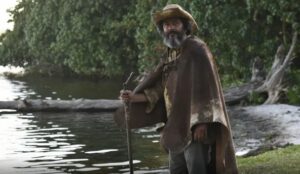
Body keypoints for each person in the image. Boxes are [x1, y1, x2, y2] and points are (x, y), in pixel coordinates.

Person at [116, 4, 238, 174]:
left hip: (195, 128)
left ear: (184, 26)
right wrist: (134, 98)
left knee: (197, 169)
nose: (170, 28)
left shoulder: (197, 49)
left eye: (174, 23)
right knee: (177, 170)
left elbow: (207, 89)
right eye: (166, 25)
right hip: (175, 126)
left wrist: (202, 122)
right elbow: (160, 90)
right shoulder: (170, 55)